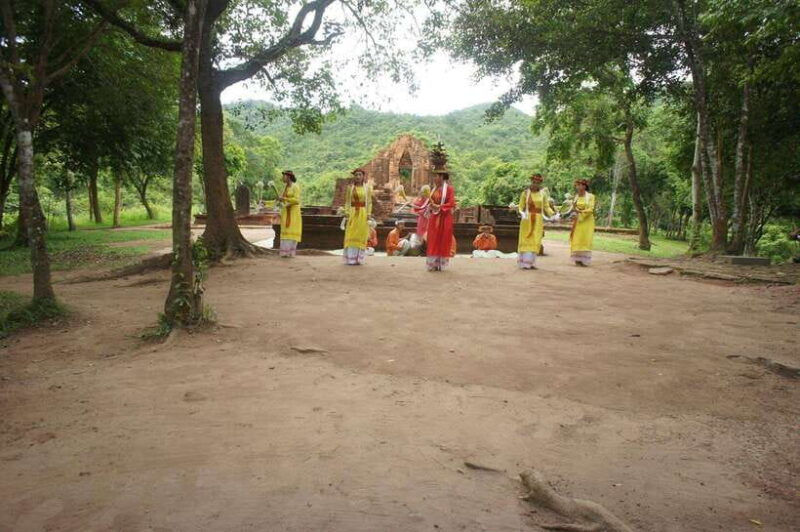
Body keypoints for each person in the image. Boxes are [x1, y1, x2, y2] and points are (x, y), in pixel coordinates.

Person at [517, 173, 555, 270]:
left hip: (538, 219)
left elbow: (546, 207)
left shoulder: (543, 194)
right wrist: (522, 213)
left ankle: (531, 262)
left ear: (540, 183)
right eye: (534, 182)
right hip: (527, 219)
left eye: (538, 182)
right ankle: (524, 263)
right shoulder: (525, 193)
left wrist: (553, 215)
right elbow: (521, 207)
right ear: (531, 182)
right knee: (527, 238)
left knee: (536, 238)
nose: (535, 184)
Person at [426, 171, 456, 271]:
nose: (434, 178)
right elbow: (431, 203)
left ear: (442, 177)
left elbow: (451, 203)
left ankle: (441, 264)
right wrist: (431, 206)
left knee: (443, 240)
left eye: (436, 176)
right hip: (434, 218)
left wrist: (439, 206)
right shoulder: (433, 190)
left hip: (444, 217)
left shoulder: (449, 189)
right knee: (433, 240)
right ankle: (433, 264)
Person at [342, 169, 372, 265]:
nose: (358, 177)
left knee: (361, 234)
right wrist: (346, 212)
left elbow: (370, 202)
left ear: (363, 176)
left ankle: (359, 259)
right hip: (352, 213)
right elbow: (347, 201)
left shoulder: (367, 188)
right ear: (354, 177)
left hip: (363, 213)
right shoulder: (350, 188)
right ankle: (351, 259)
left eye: (360, 175)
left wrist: (368, 214)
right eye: (356, 175)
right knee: (351, 234)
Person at [569, 179, 596, 266]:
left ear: (585, 186)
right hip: (578, 221)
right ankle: (577, 259)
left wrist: (580, 212)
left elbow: (591, 209)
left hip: (587, 220)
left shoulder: (591, 196)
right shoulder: (576, 197)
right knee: (577, 239)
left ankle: (584, 260)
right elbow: (573, 208)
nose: (579, 187)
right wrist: (573, 212)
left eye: (581, 185)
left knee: (585, 239)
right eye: (577, 185)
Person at [278, 170, 302, 257]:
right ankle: (285, 252)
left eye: (284, 176)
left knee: (291, 230)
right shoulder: (285, 188)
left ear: (288, 177)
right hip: (286, 211)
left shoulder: (295, 187)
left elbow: (297, 200)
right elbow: (283, 199)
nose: (282, 178)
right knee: (285, 230)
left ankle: (290, 253)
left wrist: (285, 199)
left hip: (293, 212)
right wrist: (281, 200)